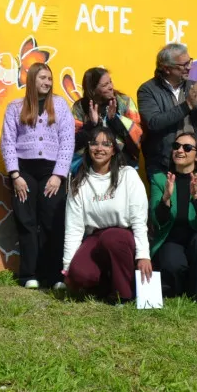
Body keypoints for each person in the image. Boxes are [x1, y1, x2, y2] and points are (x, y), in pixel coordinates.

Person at [1, 62, 74, 290]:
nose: (47, 82)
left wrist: (58, 175)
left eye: (49, 79)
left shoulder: (60, 105)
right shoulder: (15, 107)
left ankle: (53, 276)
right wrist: (15, 175)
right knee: (26, 222)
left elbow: (67, 141)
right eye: (42, 78)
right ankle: (28, 274)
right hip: (23, 172)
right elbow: (7, 142)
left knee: (52, 221)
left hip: (52, 171)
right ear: (31, 80)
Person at [62, 126, 151, 303]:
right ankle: (107, 285)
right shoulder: (79, 183)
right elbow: (73, 228)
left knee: (112, 237)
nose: (99, 148)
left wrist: (143, 255)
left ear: (113, 150)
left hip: (123, 236)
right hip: (95, 237)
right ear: (88, 149)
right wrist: (67, 269)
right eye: (94, 144)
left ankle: (124, 294)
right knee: (79, 274)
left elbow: (139, 220)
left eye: (106, 144)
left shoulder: (128, 175)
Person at [149, 132, 197, 303]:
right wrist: (166, 198)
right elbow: (157, 220)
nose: (180, 150)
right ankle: (186, 286)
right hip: (173, 239)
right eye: (176, 146)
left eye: (187, 147)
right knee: (170, 262)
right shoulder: (161, 179)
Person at [137, 43, 197, 175]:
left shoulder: (192, 86)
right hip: (163, 165)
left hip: (194, 164)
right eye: (184, 65)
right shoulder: (148, 90)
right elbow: (153, 123)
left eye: (190, 62)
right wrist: (187, 105)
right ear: (166, 68)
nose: (189, 67)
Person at [71, 67, 141, 171]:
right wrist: (92, 124)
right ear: (93, 90)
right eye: (105, 85)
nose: (111, 87)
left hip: (122, 163)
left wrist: (115, 120)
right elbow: (72, 142)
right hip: (90, 167)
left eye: (110, 82)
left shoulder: (124, 101)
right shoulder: (80, 107)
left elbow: (137, 135)